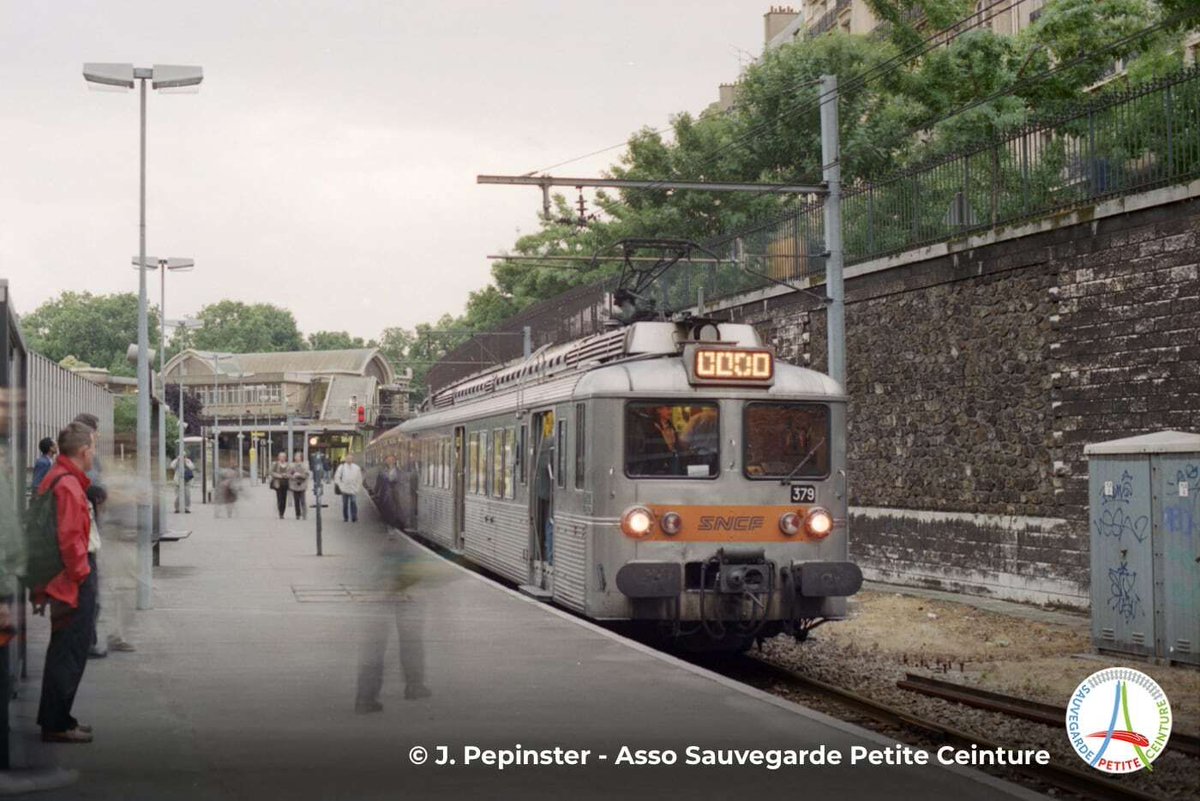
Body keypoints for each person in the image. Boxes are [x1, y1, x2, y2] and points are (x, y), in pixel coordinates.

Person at [33, 422, 98, 743]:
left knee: (64, 649)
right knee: (69, 651)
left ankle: (59, 718)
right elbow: (71, 541)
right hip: (72, 581)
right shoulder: (68, 485)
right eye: (94, 448)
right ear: (85, 451)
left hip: (62, 580)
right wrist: (82, 577)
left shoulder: (58, 478)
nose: (95, 454)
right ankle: (57, 723)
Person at [71, 413, 108, 659]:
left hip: (87, 537)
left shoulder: (86, 462)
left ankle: (87, 639)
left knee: (90, 598)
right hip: (82, 542)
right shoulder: (79, 466)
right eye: (96, 432)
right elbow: (93, 490)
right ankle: (86, 642)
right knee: (88, 597)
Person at [333, 452, 364, 523]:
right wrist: (340, 485)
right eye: (348, 458)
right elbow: (336, 477)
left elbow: (359, 478)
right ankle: (346, 517)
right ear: (346, 459)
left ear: (352, 459)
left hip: (353, 489)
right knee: (345, 504)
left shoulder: (357, 468)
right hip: (344, 489)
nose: (349, 459)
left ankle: (354, 517)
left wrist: (358, 488)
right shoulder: (342, 467)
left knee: (353, 502)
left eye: (350, 458)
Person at [288, 451, 310, 520]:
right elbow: (289, 474)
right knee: (296, 501)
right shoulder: (292, 465)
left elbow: (306, 475)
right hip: (294, 485)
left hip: (302, 485)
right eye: (295, 456)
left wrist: (299, 475)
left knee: (303, 501)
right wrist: (292, 476)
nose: (296, 457)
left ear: (301, 457)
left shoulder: (305, 465)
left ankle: (304, 514)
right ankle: (297, 514)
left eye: (298, 456)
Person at [269, 453, 290, 520]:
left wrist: (286, 475)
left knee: (284, 499)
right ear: (278, 457)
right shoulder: (275, 464)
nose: (282, 458)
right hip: (278, 483)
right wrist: (280, 475)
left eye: (283, 457)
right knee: (279, 498)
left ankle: (282, 512)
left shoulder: (288, 465)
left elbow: (291, 472)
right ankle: (280, 513)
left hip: (286, 483)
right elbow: (271, 472)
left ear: (285, 458)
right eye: (281, 457)